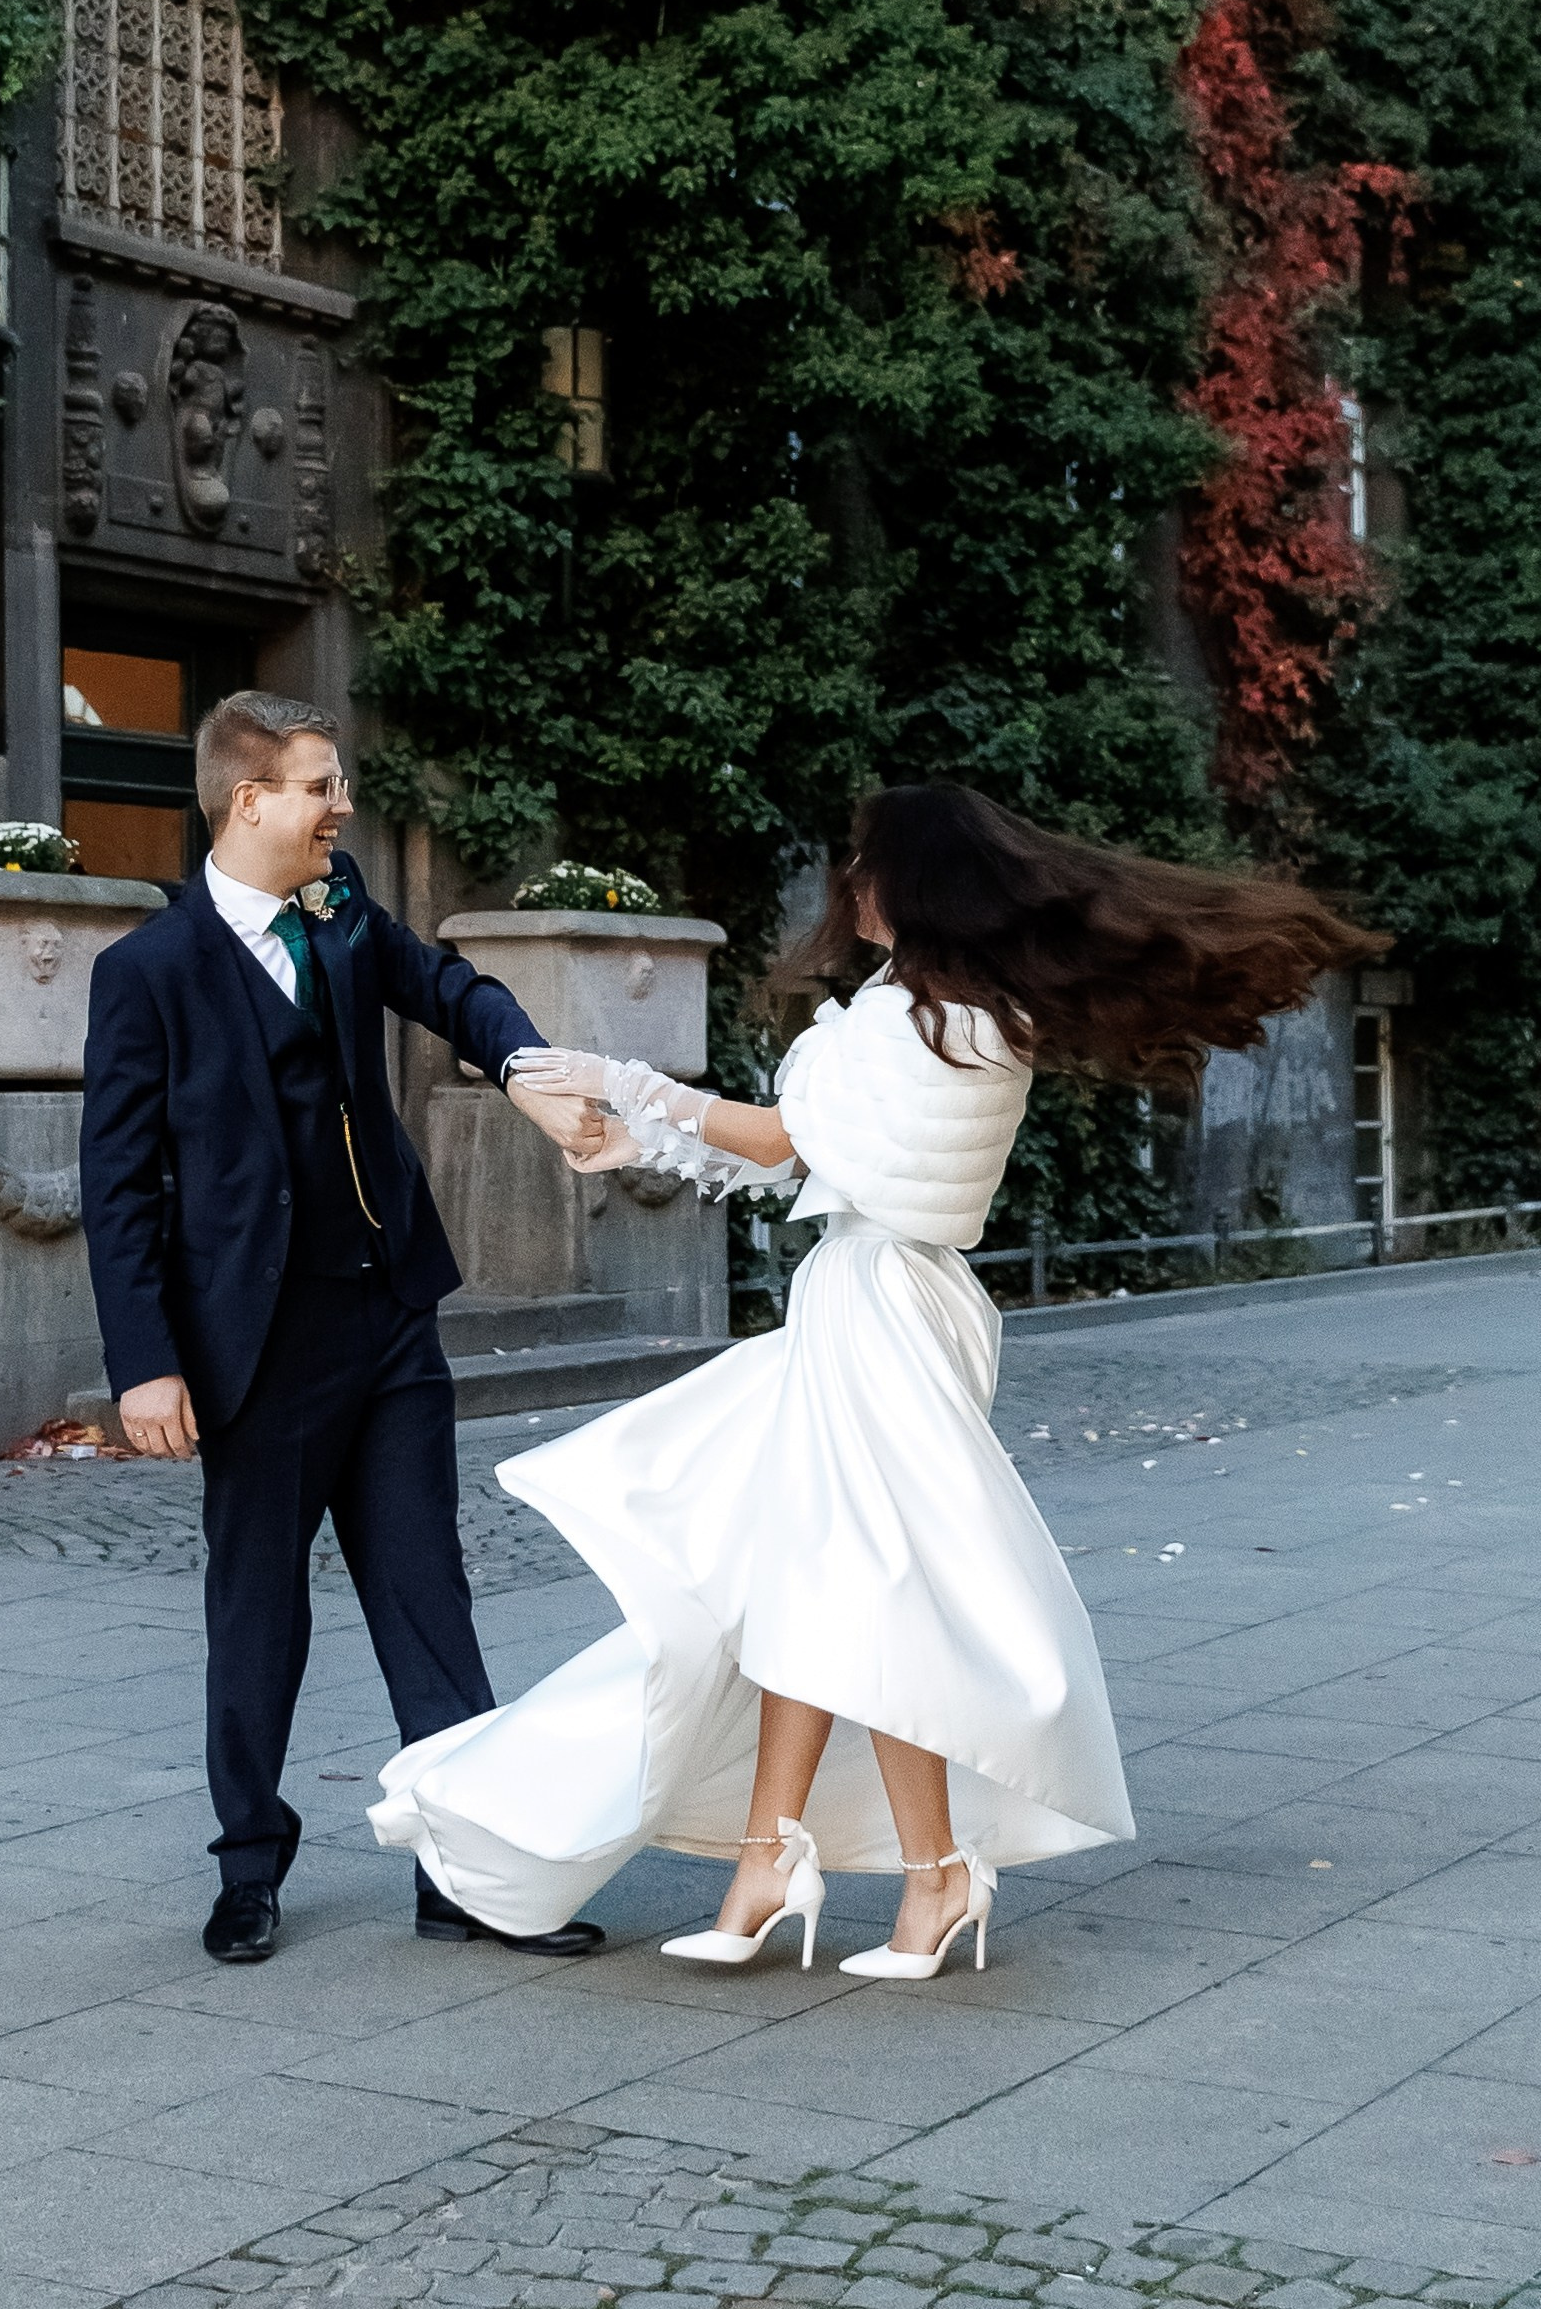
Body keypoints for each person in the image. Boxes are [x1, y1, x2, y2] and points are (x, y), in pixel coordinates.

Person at [370, 782, 1380, 1978]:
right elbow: (814, 1159)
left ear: (914, 883)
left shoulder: (937, 1022)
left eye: (863, 866)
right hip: (871, 1297)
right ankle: (782, 1860)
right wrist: (638, 1130)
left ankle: (923, 1872)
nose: (848, 885)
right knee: (805, 1584)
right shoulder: (936, 1011)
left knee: (872, 1597)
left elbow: (795, 1142)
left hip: (885, 1307)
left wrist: (628, 1082)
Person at [78, 689, 610, 1967]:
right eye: (320, 784)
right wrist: (145, 1359)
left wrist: (534, 1071)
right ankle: (249, 1865)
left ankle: (468, 1870)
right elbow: (119, 1179)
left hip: (384, 1319)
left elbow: (447, 985)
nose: (342, 805)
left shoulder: (338, 902)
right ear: (247, 798)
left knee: (430, 1597)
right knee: (258, 1615)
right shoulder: (145, 972)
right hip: (251, 1348)